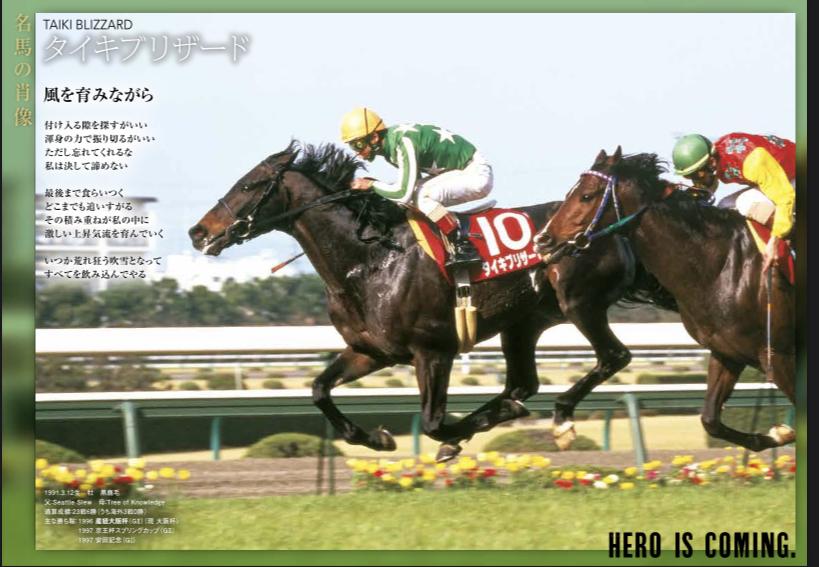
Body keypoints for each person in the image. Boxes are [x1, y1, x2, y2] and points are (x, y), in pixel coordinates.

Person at [340, 107, 493, 270]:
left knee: (421, 196)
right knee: (415, 196)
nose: (358, 152)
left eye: (358, 144)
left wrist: (371, 185)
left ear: (374, 137)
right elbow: (411, 187)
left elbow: (403, 193)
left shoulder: (403, 143)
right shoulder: (391, 148)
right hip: (460, 172)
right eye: (353, 146)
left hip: (476, 174)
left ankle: (463, 245)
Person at [671, 132, 795, 272]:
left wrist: (775, 241)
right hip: (777, 178)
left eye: (697, 175)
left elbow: (785, 198)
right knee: (723, 206)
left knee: (745, 202)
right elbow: (710, 184)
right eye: (689, 177)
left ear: (711, 163)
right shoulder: (716, 157)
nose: (695, 180)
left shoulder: (752, 162)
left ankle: (793, 236)